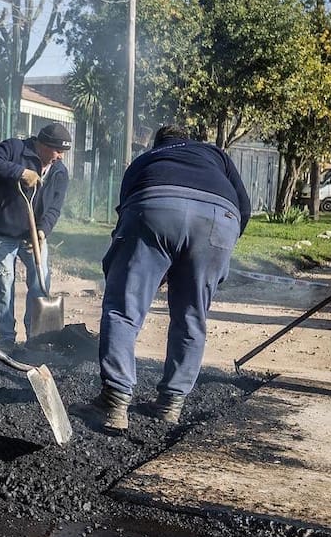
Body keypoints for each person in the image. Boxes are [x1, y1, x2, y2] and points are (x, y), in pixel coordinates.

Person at [93, 124, 250, 431]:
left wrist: (127, 269)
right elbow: (243, 206)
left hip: (154, 209)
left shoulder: (145, 160)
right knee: (192, 316)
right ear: (188, 141)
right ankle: (170, 404)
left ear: (156, 143)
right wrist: (221, 248)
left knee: (123, 309)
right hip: (220, 220)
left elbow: (127, 213)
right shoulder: (214, 154)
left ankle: (114, 401)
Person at [0, 122, 72, 346]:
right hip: (3, 234)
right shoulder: (15, 149)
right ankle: (7, 338)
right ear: (42, 144)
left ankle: (37, 338)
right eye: (57, 151)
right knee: (4, 286)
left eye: (63, 152)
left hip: (33, 238)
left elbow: (54, 208)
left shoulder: (59, 172)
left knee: (40, 285)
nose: (60, 157)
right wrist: (19, 172)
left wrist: (42, 231)